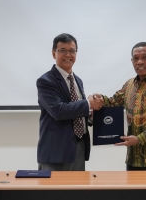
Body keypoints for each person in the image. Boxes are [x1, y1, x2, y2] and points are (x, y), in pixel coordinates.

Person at [93, 42, 146, 171]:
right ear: (132, 60)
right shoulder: (129, 84)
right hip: (133, 158)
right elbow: (113, 102)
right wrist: (98, 99)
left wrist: (139, 139)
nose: (140, 62)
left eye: (145, 57)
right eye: (136, 58)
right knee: (133, 192)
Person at [36, 33, 102, 171]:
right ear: (54, 54)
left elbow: (76, 110)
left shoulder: (78, 80)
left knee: (76, 192)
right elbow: (58, 111)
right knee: (54, 192)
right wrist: (88, 103)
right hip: (56, 151)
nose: (68, 54)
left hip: (79, 147)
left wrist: (91, 114)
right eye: (62, 50)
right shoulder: (46, 81)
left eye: (72, 50)